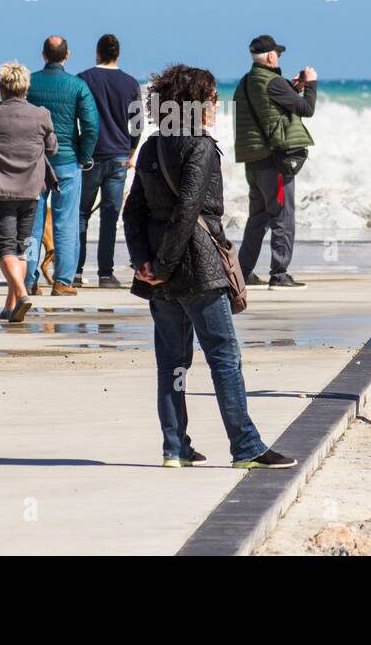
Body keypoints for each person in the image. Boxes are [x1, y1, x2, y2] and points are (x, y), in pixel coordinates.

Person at [123, 63, 295, 470]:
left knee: (172, 362)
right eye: (213, 98)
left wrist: (143, 262)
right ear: (194, 102)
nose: (217, 106)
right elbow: (188, 210)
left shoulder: (151, 146)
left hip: (160, 276)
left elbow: (132, 213)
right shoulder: (199, 146)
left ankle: (175, 447)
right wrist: (162, 264)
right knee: (224, 357)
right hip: (197, 267)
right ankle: (246, 447)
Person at [0, 62, 58, 323]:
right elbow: (52, 148)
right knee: (21, 247)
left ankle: (20, 293)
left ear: (1, 88)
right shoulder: (41, 115)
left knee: (5, 248)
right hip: (31, 190)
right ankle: (10, 305)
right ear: (26, 88)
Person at [232, 34, 316, 289]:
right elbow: (306, 109)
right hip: (275, 162)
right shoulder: (273, 82)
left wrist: (293, 88)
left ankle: (243, 272)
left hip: (253, 161)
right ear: (270, 57)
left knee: (257, 218)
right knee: (282, 215)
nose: (278, 57)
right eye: (277, 54)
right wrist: (311, 85)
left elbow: (269, 105)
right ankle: (279, 274)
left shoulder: (245, 82)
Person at [24, 36, 99, 296]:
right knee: (66, 223)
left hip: (34, 162)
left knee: (32, 223)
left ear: (43, 55)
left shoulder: (29, 83)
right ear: (67, 56)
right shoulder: (78, 85)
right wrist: (84, 156)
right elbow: (90, 126)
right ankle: (62, 280)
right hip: (67, 162)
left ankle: (29, 279)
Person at [75, 34, 140, 289]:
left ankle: (76, 272)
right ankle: (105, 273)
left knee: (81, 214)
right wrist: (132, 151)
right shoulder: (131, 83)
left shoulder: (83, 79)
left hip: (90, 156)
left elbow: (74, 117)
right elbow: (137, 124)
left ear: (97, 53)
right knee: (110, 216)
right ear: (118, 55)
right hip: (119, 156)